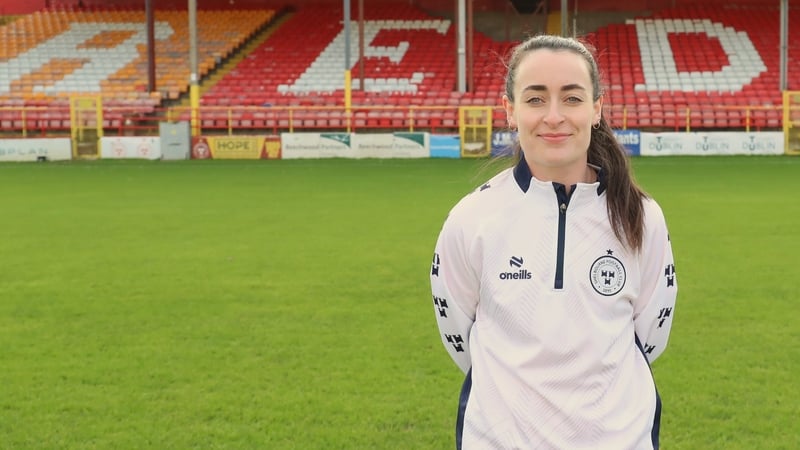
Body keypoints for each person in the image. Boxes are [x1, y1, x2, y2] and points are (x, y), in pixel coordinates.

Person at [429, 34, 677, 449]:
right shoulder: (471, 220)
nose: (555, 116)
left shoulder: (642, 217)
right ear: (510, 110)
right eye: (536, 99)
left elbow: (649, 336)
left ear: (596, 108)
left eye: (573, 98)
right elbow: (460, 334)